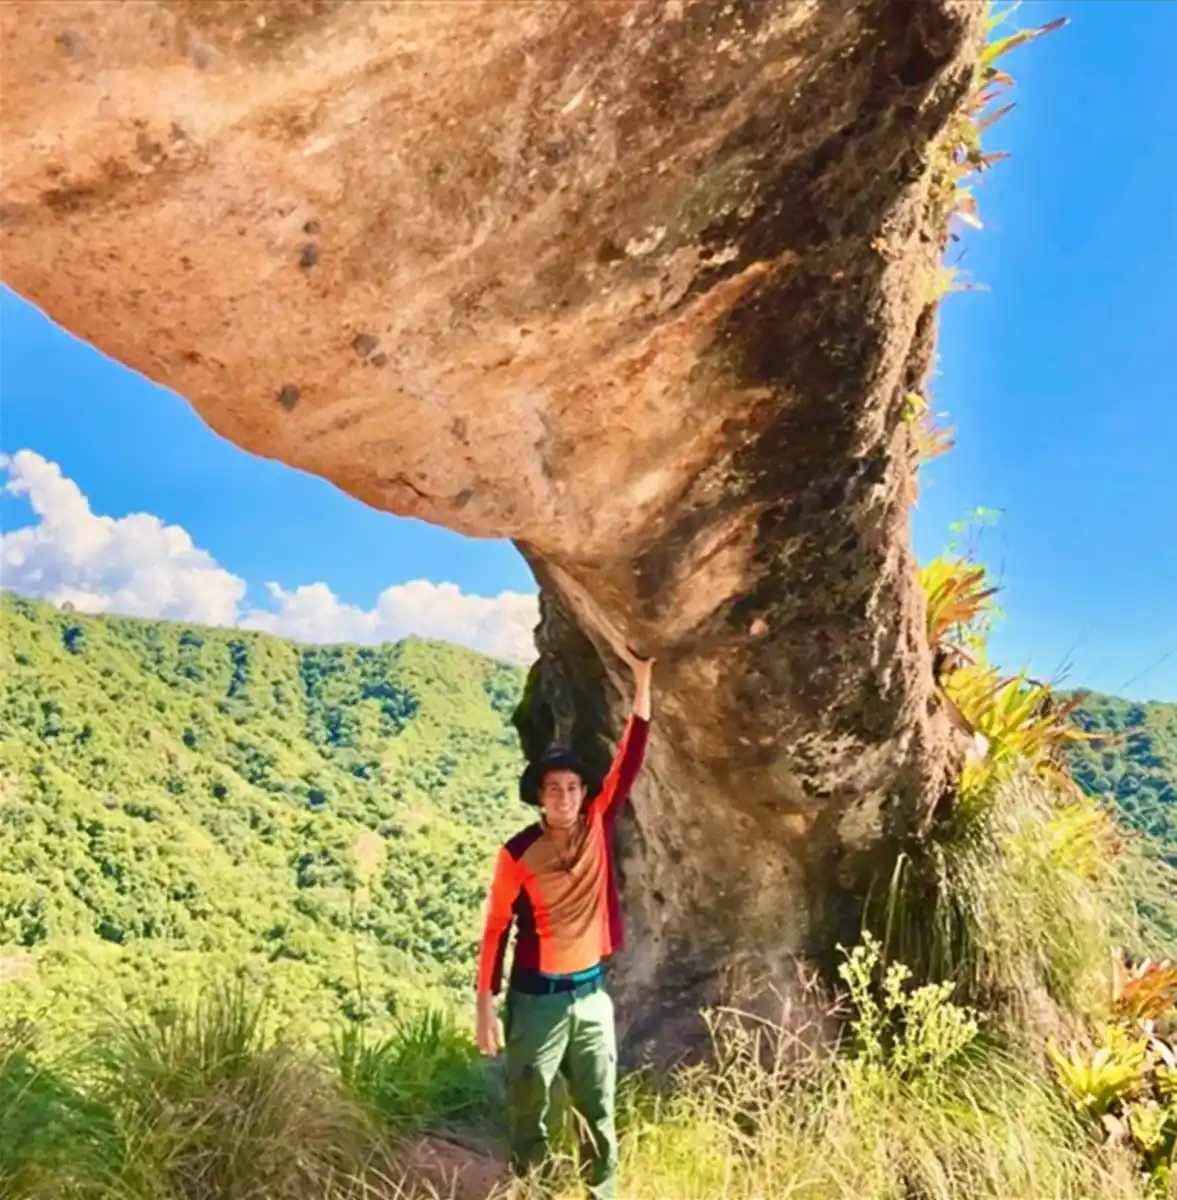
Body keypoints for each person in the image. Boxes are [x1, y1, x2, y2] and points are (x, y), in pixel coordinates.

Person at [474, 643, 654, 1199]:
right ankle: (532, 1191)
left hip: (591, 996)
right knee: (531, 1111)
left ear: (582, 793)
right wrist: (484, 1003)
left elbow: (629, 758)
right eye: (553, 789)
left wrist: (643, 682)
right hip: (538, 1000)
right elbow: (497, 928)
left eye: (572, 787)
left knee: (598, 1109)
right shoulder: (518, 853)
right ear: (539, 797)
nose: (564, 797)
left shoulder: (597, 824)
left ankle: (601, 1192)